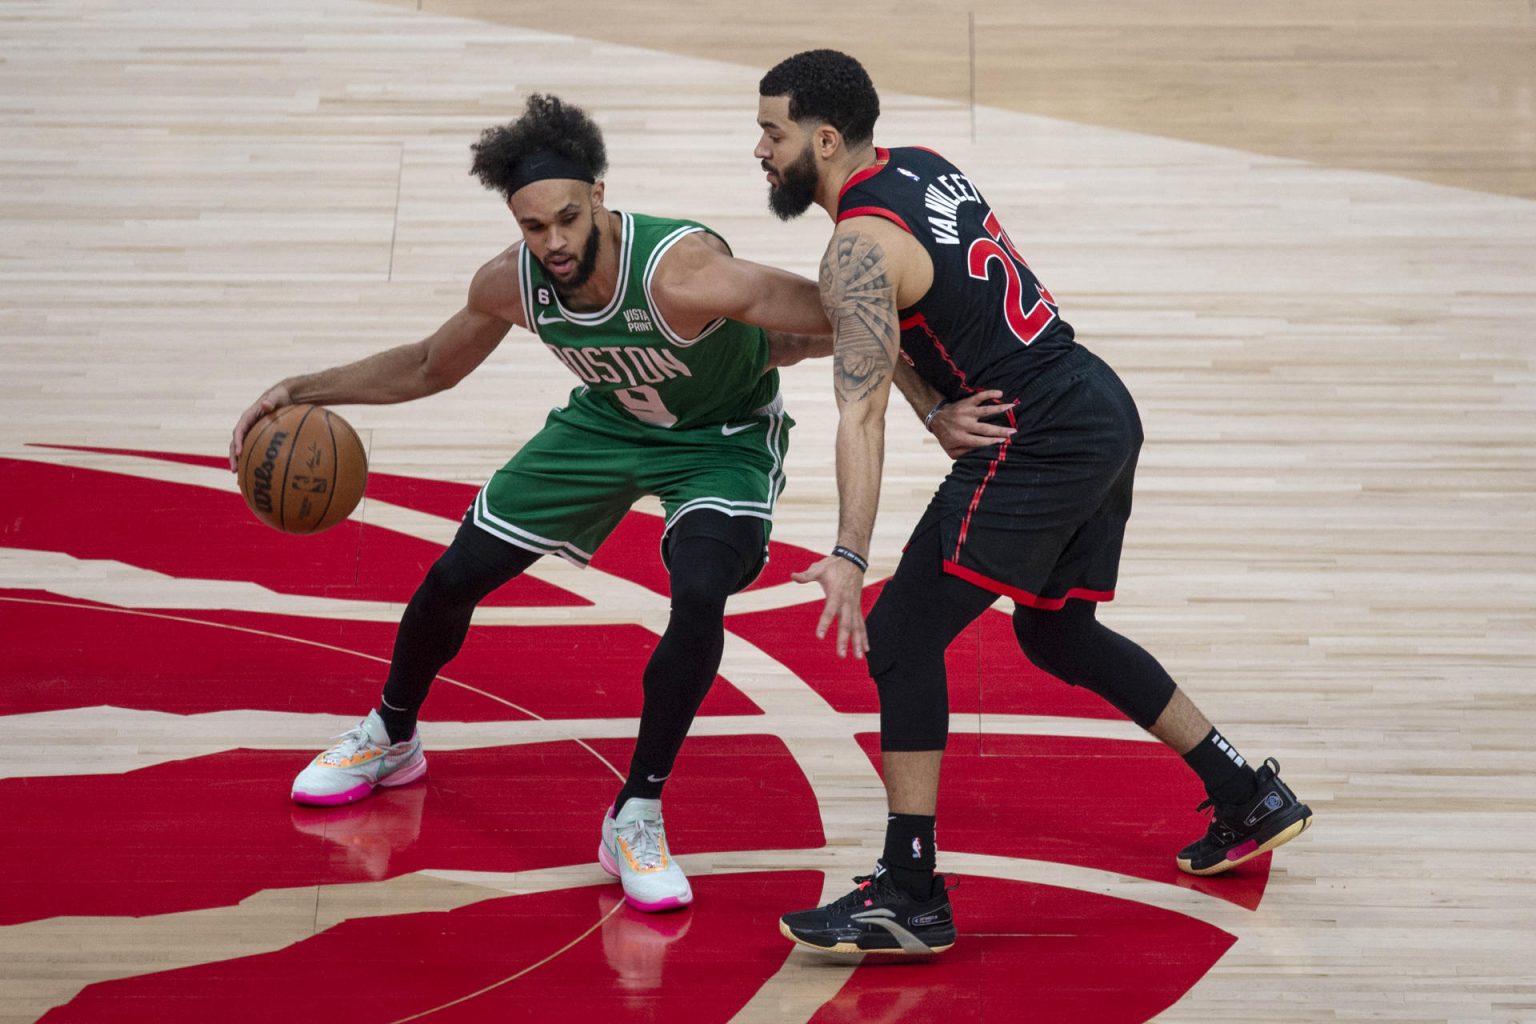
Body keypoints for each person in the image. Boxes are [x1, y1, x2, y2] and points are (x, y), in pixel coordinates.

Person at [754, 50, 1314, 955]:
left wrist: (851, 555)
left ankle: (909, 890)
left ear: (822, 139)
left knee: (899, 636)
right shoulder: (921, 166)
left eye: (771, 132)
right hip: (1094, 400)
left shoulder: (855, 246)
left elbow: (858, 413)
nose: (760, 149)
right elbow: (907, 322)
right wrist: (937, 404)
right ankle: (1246, 790)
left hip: (1039, 433)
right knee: (1054, 632)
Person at [229, 93, 834, 913]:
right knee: (454, 577)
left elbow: (842, 316)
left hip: (718, 440)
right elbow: (427, 366)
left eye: (568, 219)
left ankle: (636, 813)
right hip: (605, 427)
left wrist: (941, 384)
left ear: (600, 199)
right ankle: (390, 735)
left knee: (698, 596)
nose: (553, 242)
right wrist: (298, 389)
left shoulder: (682, 272)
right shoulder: (514, 284)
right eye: (532, 226)